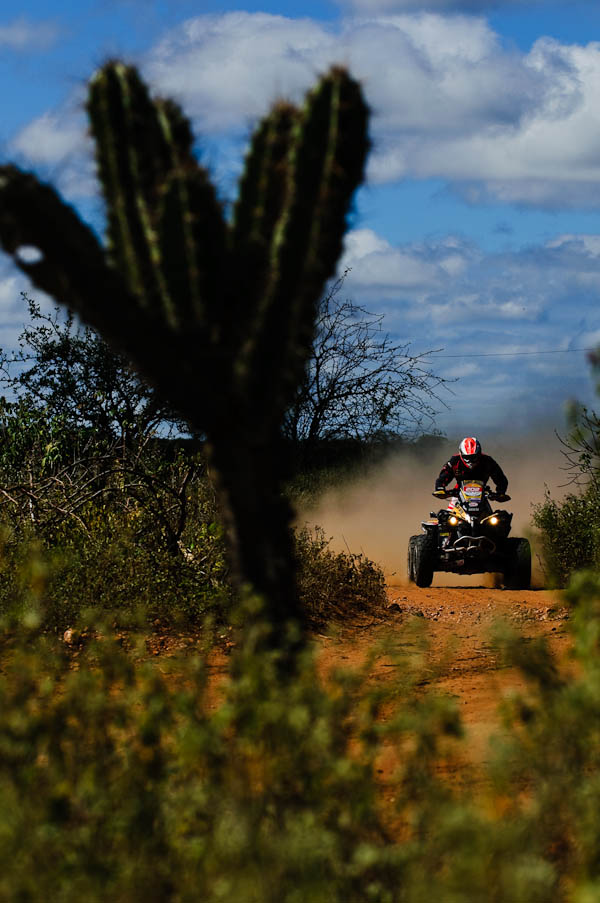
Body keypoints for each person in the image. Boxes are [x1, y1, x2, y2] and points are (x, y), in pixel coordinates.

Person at [433, 437, 508, 499]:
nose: (470, 461)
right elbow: (443, 477)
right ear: (461, 454)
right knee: (446, 516)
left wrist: (500, 493)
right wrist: (440, 489)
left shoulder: (488, 461)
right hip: (458, 495)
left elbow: (500, 478)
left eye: (473, 457)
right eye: (467, 457)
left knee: (497, 516)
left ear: (479, 454)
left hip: (482, 497)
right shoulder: (455, 461)